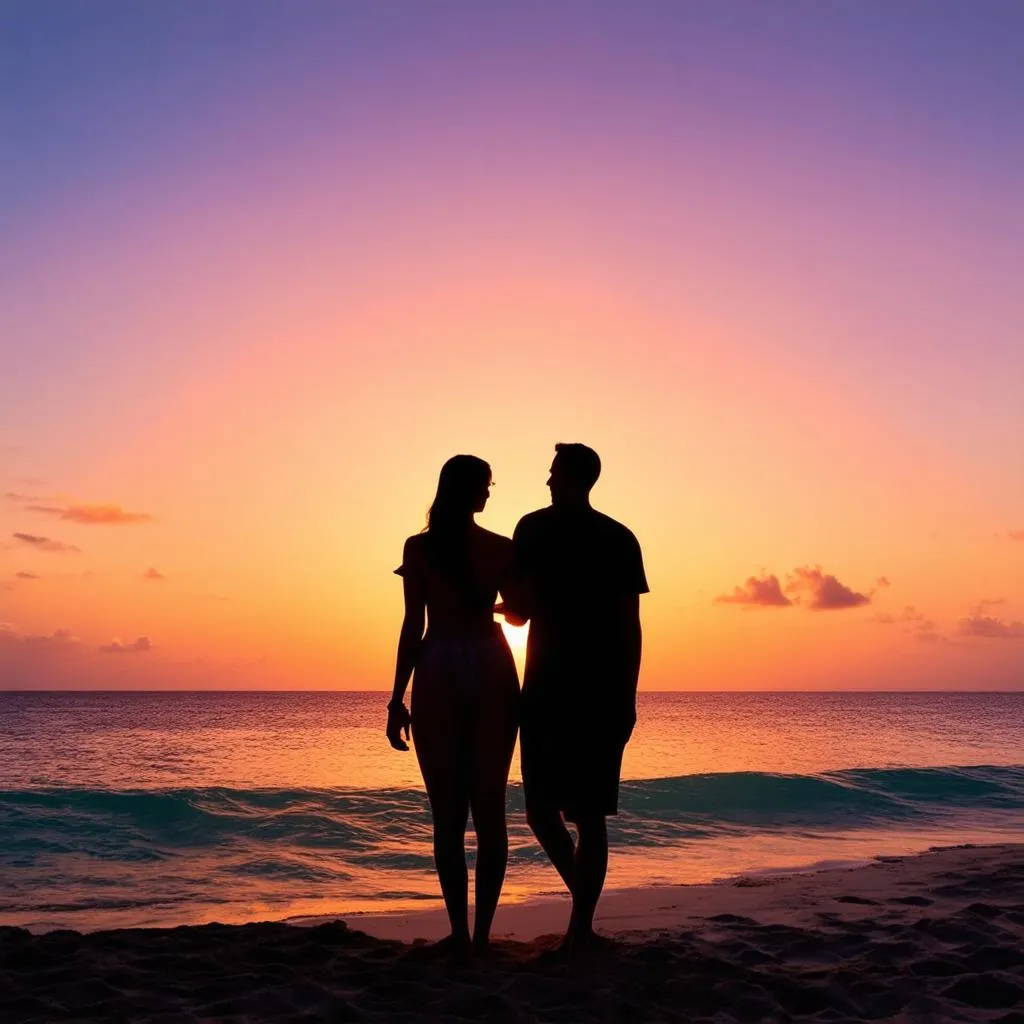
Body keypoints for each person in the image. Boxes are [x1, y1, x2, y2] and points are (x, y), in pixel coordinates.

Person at [501, 443, 648, 952]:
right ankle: (583, 918)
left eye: (551, 472)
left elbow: (521, 610)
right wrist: (627, 694)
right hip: (599, 687)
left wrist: (503, 610)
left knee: (547, 812)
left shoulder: (533, 528)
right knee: (584, 814)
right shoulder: (619, 537)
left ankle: (581, 925)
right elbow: (631, 628)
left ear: (568, 477)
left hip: (551, 684)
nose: (545, 480)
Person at [387, 455, 520, 956]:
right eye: (486, 485)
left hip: (439, 664)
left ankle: (461, 937)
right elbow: (523, 614)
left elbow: (411, 627)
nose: (489, 493)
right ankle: (483, 936)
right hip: (489, 665)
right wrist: (500, 605)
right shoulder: (500, 548)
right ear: (469, 492)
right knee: (490, 810)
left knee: (447, 814)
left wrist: (396, 698)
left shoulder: (418, 548)